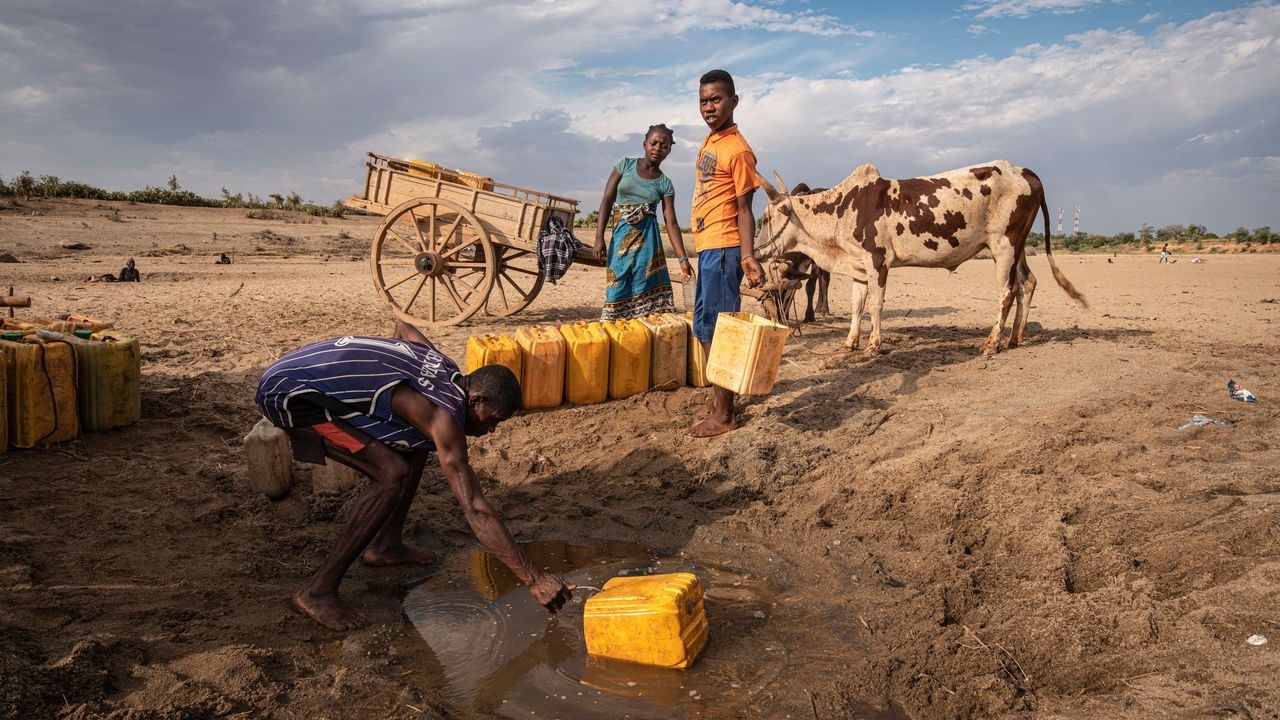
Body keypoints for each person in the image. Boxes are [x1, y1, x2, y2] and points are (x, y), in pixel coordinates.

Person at [254, 320, 574, 631]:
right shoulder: (442, 417)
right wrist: (534, 579)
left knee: (417, 442)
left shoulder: (444, 369)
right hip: (290, 396)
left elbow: (404, 329)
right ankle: (318, 592)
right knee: (391, 474)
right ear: (475, 400)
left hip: (304, 377)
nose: (490, 431)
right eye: (491, 421)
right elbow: (475, 507)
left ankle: (386, 547)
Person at [687, 69, 765, 437]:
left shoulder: (738, 150)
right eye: (703, 100)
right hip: (707, 248)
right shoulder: (711, 141)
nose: (708, 107)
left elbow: (745, 208)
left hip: (725, 247)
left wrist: (747, 256)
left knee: (721, 329)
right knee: (704, 325)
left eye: (716, 99)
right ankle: (722, 396)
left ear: (734, 101)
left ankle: (725, 416)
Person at [593, 124, 694, 319]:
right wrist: (599, 238)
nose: (658, 148)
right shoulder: (625, 165)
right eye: (653, 143)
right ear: (644, 144)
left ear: (669, 150)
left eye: (663, 146)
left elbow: (671, 223)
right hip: (621, 238)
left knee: (644, 284)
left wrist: (683, 258)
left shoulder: (665, 184)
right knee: (617, 283)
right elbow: (607, 200)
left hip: (648, 244)